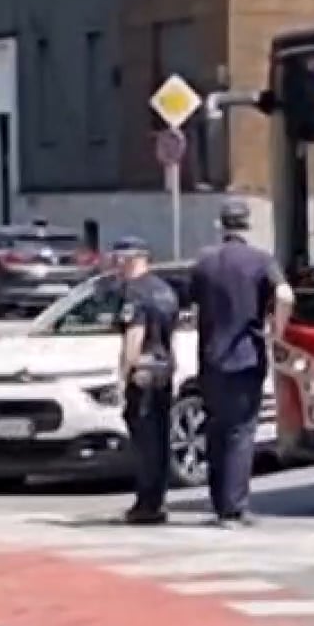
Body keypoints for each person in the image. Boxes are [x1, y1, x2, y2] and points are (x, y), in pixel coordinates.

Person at [188, 199, 294, 526]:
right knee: (241, 431)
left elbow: (193, 309)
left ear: (221, 225)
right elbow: (286, 296)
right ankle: (234, 508)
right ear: (246, 225)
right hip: (246, 354)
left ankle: (218, 501)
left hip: (210, 357)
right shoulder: (261, 261)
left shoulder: (204, 262)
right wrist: (276, 333)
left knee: (216, 429)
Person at [111, 235, 182, 525]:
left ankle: (146, 503)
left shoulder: (135, 292)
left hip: (142, 373)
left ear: (130, 259)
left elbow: (135, 335)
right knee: (160, 437)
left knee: (144, 443)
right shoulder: (165, 291)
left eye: (118, 259)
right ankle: (157, 499)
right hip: (164, 369)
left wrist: (122, 375)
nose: (115, 266)